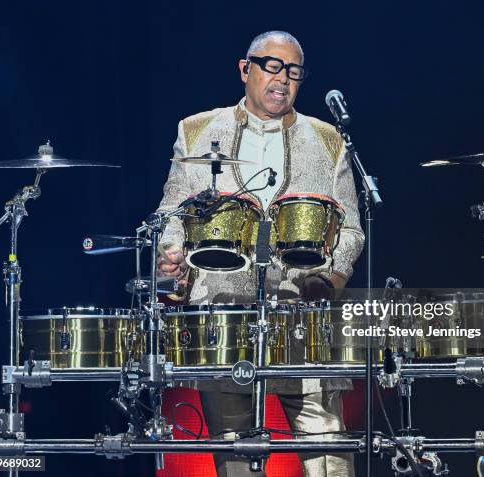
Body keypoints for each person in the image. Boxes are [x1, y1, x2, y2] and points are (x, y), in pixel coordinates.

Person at [157, 30, 365, 477]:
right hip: (223, 314)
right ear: (244, 68)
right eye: (272, 66)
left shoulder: (328, 139)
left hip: (301, 316)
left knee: (329, 454)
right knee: (235, 456)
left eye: (293, 72)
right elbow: (174, 210)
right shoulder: (196, 130)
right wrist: (171, 254)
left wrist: (331, 278)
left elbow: (349, 228)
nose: (282, 79)